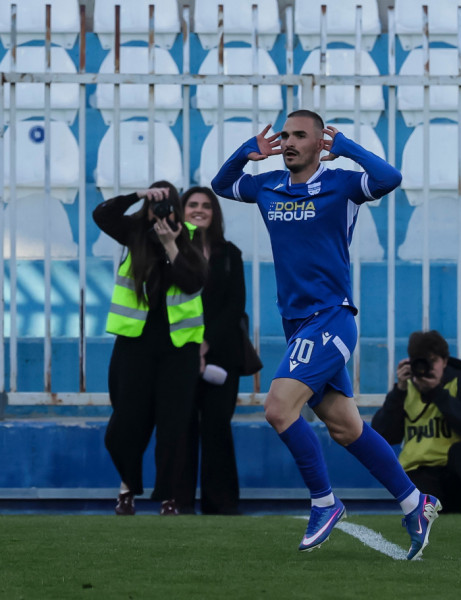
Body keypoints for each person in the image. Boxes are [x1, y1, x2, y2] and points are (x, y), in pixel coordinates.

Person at [211, 109, 441, 559]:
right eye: (285, 135)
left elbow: (390, 178)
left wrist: (348, 148)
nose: (289, 142)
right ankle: (415, 503)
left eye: (300, 135)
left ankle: (324, 502)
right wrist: (245, 153)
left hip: (330, 317)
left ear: (320, 144)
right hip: (297, 323)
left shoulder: (341, 185)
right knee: (345, 427)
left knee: (278, 408)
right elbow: (222, 185)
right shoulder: (267, 185)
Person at [93, 181, 207, 516]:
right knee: (125, 423)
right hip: (134, 344)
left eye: (167, 204)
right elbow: (101, 214)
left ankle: (169, 496)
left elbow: (194, 282)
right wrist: (139, 195)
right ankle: (128, 486)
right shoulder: (134, 232)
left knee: (173, 425)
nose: (161, 211)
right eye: (156, 204)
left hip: (179, 348)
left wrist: (171, 245)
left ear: (177, 208)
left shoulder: (190, 235)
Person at [174, 186, 247, 515]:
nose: (199, 210)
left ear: (215, 213)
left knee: (217, 427)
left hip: (221, 354)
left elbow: (235, 306)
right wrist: (192, 345)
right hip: (179, 352)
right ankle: (178, 502)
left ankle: (222, 505)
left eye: (206, 205)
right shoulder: (170, 251)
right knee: (182, 427)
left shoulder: (230, 254)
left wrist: (206, 343)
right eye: (192, 204)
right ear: (181, 211)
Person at [372, 330, 461, 514]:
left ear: (445, 361)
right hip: (420, 471)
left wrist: (437, 393)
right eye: (422, 361)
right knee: (425, 495)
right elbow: (382, 435)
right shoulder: (405, 390)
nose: (428, 367)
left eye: (433, 361)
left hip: (458, 474)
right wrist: (398, 392)